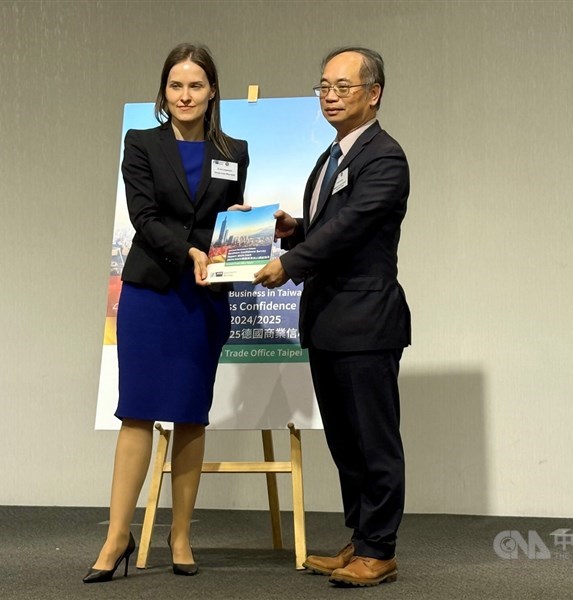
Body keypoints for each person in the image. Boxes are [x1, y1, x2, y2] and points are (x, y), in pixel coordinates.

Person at [83, 43, 249, 583]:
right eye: (176, 86)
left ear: (212, 91)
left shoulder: (234, 149)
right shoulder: (143, 143)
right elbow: (143, 216)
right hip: (152, 294)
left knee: (190, 414)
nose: (185, 95)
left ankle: (180, 534)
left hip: (204, 297)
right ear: (164, 92)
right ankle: (116, 537)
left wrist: (240, 223)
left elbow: (224, 221)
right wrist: (191, 249)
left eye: (195, 85)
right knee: (136, 412)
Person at [253, 46, 410, 587]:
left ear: (374, 93)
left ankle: (380, 549)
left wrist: (291, 261)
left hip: (366, 321)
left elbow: (355, 226)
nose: (331, 97)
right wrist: (295, 229)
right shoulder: (331, 156)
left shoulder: (385, 156)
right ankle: (360, 538)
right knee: (346, 443)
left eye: (343, 87)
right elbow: (329, 225)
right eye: (324, 87)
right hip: (327, 321)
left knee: (374, 440)